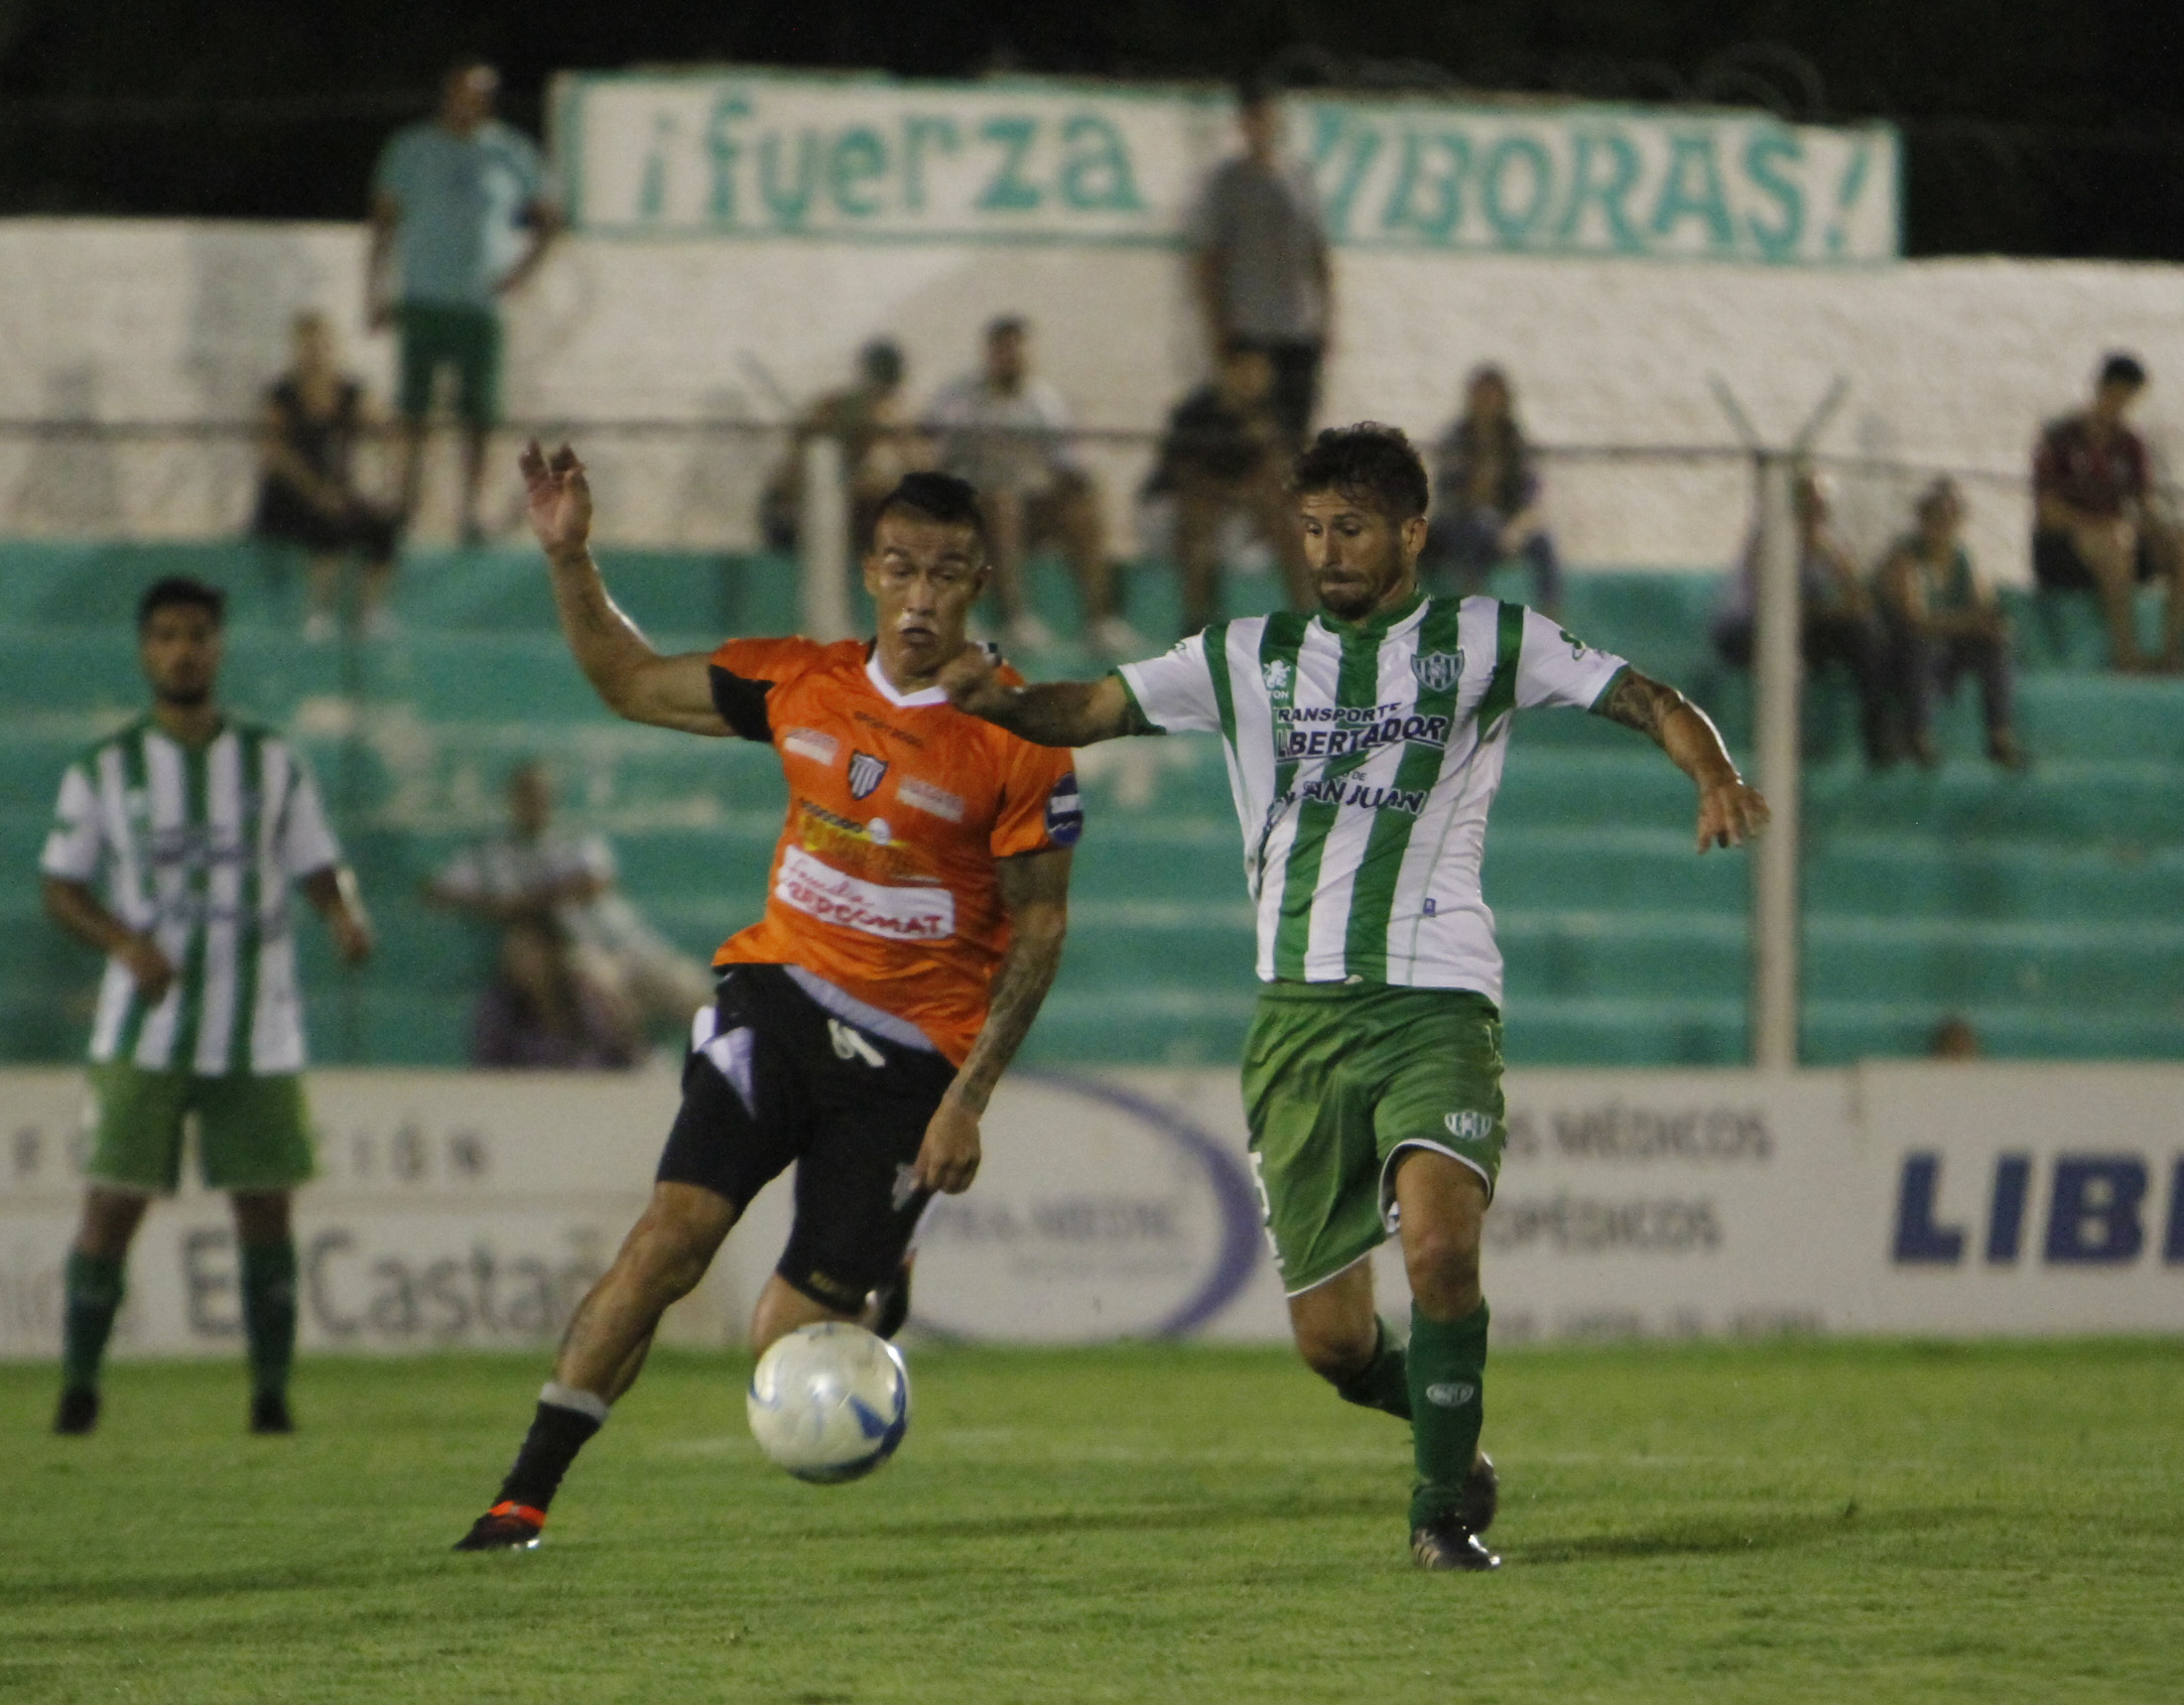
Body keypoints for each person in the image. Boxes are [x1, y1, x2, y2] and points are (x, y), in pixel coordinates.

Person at [943, 424, 1768, 1571]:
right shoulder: (1243, 654)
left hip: (1435, 999)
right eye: (1312, 528)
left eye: (1352, 528)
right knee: (1331, 1342)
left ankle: (1439, 1514)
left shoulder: (1486, 638)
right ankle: (1443, 1429)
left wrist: (1713, 770)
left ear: (1411, 532)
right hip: (1297, 1020)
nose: (1327, 550)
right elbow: (1081, 710)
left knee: (1438, 1251)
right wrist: (993, 698)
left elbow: (1642, 694)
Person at [451, 456, 1083, 1551]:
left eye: (944, 574)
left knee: (781, 1340)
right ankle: (521, 1498)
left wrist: (967, 1099)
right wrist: (568, 555)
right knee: (671, 1237)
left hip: (911, 1057)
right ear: (868, 572)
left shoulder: (1020, 735)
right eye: (900, 568)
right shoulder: (799, 681)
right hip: (775, 1002)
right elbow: (628, 682)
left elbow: (1038, 932)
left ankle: (881, 1273)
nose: (919, 596)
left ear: (977, 582)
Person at [39, 577, 375, 1436]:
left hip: (255, 1026)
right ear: (144, 650)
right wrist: (123, 941)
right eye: (165, 635)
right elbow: (62, 885)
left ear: (218, 646)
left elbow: (316, 862)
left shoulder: (271, 761)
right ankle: (78, 1389)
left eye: (195, 634)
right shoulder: (105, 768)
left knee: (264, 1207)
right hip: (140, 1029)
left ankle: (270, 1396)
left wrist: (341, 913)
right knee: (112, 1204)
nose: (182, 650)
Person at [368, 61, 561, 545]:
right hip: (422, 298)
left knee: (478, 416)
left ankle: (471, 512)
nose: (467, 104)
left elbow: (549, 216)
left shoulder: (510, 151)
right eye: (459, 93)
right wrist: (375, 289)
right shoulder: (412, 148)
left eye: (477, 95)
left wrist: (521, 273)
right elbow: (385, 222)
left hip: (479, 305)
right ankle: (403, 505)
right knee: (414, 410)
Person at [426, 760, 714, 1045]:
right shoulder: (493, 854)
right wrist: (490, 905)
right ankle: (637, 1061)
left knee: (695, 992)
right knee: (604, 991)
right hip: (576, 952)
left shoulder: (576, 841)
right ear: (513, 801)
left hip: (626, 943)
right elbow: (438, 890)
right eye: (527, 796)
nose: (534, 804)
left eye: (541, 796)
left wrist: (523, 901)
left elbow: (594, 883)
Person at [925, 316, 1130, 657]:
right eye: (1003, 349)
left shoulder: (1044, 401)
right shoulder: (958, 398)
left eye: (1017, 349)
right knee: (1002, 505)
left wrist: (1076, 483)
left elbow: (1068, 461)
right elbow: (935, 455)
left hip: (1033, 500)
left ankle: (1100, 619)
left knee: (1082, 507)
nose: (1011, 357)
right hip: (972, 503)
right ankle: (1015, 617)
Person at [1713, 470, 1895, 768]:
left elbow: (1859, 604)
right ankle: (1791, 744)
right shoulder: (1768, 541)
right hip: (1744, 630)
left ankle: (1879, 737)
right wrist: (1832, 610)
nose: (1815, 517)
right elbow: (1777, 605)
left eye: (1820, 510)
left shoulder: (1826, 548)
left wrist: (1839, 566)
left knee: (1864, 634)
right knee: (1785, 653)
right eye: (1808, 508)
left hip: (1796, 627)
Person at [1189, 81, 1334, 452]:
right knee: (1248, 433)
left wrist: (1327, 318)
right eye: (1253, 118)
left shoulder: (1300, 177)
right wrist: (1218, 327)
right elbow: (1210, 260)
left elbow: (1318, 253)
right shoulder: (1227, 182)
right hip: (1249, 328)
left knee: (1295, 434)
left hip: (1297, 328)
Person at [250, 311, 404, 641]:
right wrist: (315, 490)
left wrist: (386, 482)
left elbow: (386, 430)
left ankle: (372, 611)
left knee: (384, 523)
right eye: (308, 348)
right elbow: (274, 454)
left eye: (322, 347)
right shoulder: (282, 395)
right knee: (327, 519)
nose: (316, 355)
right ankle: (319, 611)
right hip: (290, 494)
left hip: (336, 491)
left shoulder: (349, 392)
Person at [2031, 352, 2184, 672]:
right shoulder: (2060, 437)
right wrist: (2099, 525)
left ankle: (2171, 653)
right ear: (2101, 388)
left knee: (2177, 544)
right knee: (2112, 542)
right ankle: (2126, 654)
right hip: (2062, 545)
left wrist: (2160, 531)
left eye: (2128, 398)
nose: (2120, 404)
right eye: (2116, 394)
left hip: (2118, 536)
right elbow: (2047, 510)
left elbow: (2143, 502)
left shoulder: (2129, 443)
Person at [1144, 343, 1313, 632]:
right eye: (1244, 370)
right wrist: (1235, 493)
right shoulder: (1195, 412)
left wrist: (1266, 440)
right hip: (1179, 506)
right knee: (1199, 521)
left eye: (1260, 372)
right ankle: (1197, 618)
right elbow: (1184, 477)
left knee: (1290, 525)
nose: (1252, 379)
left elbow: (1285, 478)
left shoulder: (1273, 414)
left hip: (1243, 506)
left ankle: (1307, 616)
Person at [1875, 478, 2026, 769]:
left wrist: (1990, 622)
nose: (1944, 526)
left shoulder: (1961, 558)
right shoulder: (1906, 556)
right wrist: (1967, 622)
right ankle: (1919, 735)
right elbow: (1914, 619)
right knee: (1922, 648)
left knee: (1994, 646)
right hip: (1903, 649)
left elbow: (1981, 605)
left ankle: (2000, 735)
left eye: (1950, 518)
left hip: (1948, 645)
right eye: (1937, 517)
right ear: (1923, 519)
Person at [760, 338, 932, 554]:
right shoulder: (836, 409)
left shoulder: (892, 417)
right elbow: (800, 466)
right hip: (810, 512)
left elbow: (920, 469)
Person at [1422, 365, 1562, 615]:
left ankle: (1552, 615)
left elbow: (1529, 495)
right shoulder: (1457, 439)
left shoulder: (1513, 441)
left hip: (1503, 525)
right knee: (1475, 530)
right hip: (1459, 523)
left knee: (1543, 542)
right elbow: (1448, 495)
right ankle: (1474, 610)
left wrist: (1516, 528)